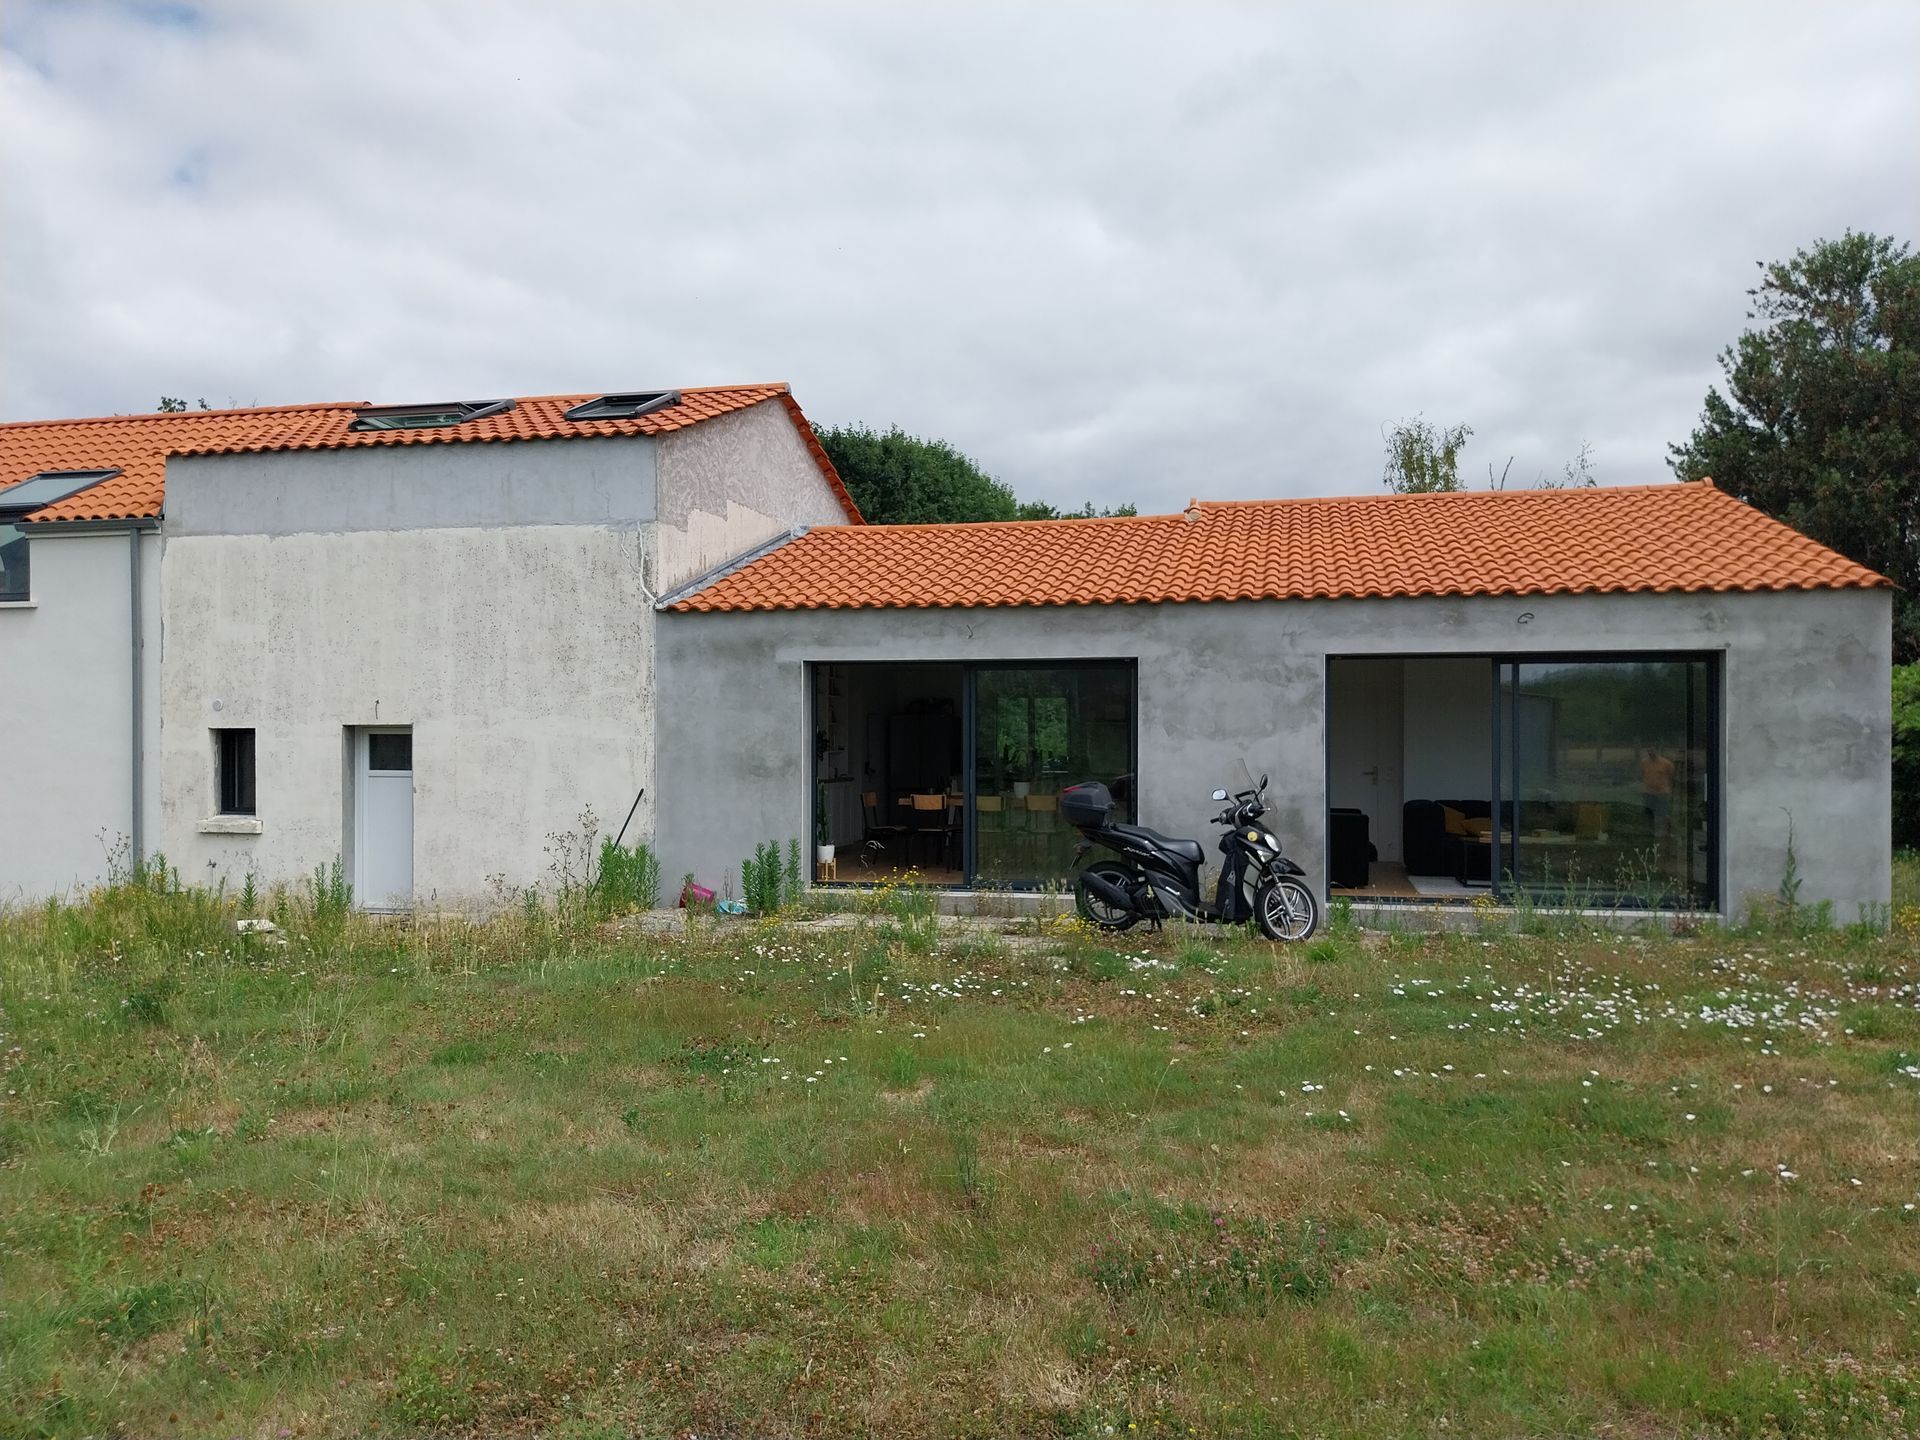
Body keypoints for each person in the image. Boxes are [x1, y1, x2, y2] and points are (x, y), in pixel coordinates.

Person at [1639, 747, 1676, 839]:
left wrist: (1667, 788)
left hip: (1662, 792)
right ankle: (1650, 832)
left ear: (1657, 751)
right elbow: (1642, 775)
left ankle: (1668, 832)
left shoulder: (1667, 763)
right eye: (1649, 751)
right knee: (1649, 814)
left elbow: (1671, 776)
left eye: (1653, 750)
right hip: (1648, 792)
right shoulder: (1644, 763)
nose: (1651, 753)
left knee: (1663, 813)